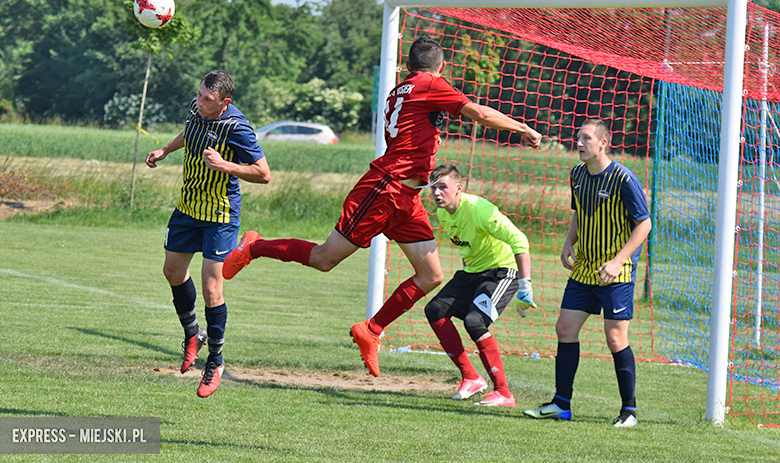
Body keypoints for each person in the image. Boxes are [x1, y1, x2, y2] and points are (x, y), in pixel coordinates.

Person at [222, 35, 542, 377]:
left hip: (407, 197)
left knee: (431, 275)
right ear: (441, 67)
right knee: (324, 259)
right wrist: (522, 127)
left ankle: (371, 330)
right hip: (383, 190)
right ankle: (255, 246)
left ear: (407, 65)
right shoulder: (430, 84)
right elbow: (477, 113)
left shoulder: (400, 90)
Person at [145, 70, 271, 398]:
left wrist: (225, 165)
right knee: (172, 271)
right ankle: (192, 334)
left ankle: (215, 360)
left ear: (225, 102)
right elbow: (190, 133)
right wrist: (165, 150)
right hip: (188, 206)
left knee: (212, 288)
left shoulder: (237, 128)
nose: (200, 102)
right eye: (199, 95)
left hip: (219, 213)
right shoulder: (196, 108)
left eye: (208, 100)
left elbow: (263, 174)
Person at [521, 118, 651, 427]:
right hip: (583, 270)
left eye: (586, 138)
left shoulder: (623, 178)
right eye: (578, 137)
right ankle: (561, 404)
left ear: (604, 143)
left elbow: (644, 223)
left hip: (614, 274)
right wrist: (569, 242)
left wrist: (619, 260)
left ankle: (629, 411)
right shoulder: (577, 174)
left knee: (615, 338)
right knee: (565, 329)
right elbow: (579, 212)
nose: (579, 143)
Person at [424, 164, 536, 407]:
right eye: (433, 188)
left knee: (474, 322)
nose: (436, 193)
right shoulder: (443, 214)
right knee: (435, 310)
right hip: (472, 272)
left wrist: (525, 285)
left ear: (459, 189)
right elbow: (468, 248)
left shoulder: (479, 209)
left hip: (502, 272)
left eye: (442, 187)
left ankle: (504, 393)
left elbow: (519, 239)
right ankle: (471, 377)